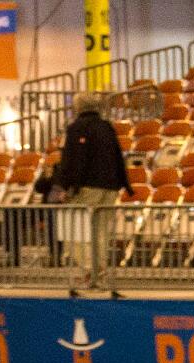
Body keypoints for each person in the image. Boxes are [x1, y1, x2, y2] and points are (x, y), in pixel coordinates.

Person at [52, 93, 128, 267]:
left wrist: (61, 188)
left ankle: (88, 269)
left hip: (88, 186)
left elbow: (70, 160)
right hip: (110, 186)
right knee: (100, 231)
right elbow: (117, 156)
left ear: (78, 108)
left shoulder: (76, 128)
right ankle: (99, 269)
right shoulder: (107, 127)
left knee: (75, 229)